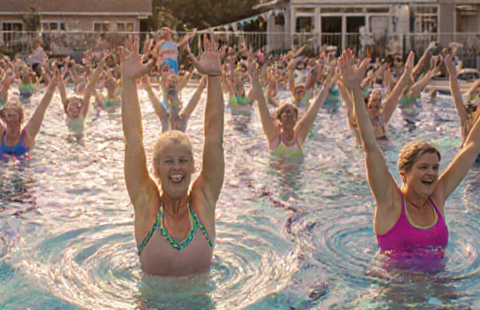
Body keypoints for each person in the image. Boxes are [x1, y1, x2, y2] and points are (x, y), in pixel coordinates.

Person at [342, 51, 480, 254]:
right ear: (404, 174)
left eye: (434, 167)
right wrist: (354, 91)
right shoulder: (391, 202)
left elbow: (472, 146)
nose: (431, 173)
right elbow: (370, 146)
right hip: (397, 285)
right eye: (423, 167)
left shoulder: (436, 199)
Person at [121, 34, 224, 277]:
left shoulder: (204, 201)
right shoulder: (146, 204)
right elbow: (133, 139)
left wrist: (214, 77)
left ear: (193, 168)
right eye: (168, 161)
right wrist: (127, 81)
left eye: (182, 161)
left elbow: (213, 137)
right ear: (155, 169)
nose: (176, 168)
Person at [0, 47, 58, 158]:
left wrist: (53, 85)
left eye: (15, 110)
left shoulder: (28, 134)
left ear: (21, 118)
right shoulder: (0, 133)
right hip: (1, 172)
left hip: (23, 173)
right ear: (4, 117)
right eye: (10, 111)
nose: (12, 112)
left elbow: (42, 107)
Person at [248, 57, 335, 163]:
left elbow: (314, 109)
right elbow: (262, 105)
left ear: (296, 119)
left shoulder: (299, 137)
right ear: (279, 119)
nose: (290, 115)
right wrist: (255, 80)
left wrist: (327, 85)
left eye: (293, 113)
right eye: (287, 112)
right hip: (276, 178)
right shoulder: (274, 137)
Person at [58, 64, 103, 135]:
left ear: (80, 107)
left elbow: (89, 90)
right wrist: (59, 77)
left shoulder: (81, 115)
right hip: (69, 137)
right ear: (67, 108)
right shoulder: (68, 114)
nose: (74, 109)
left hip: (80, 137)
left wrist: (98, 70)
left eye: (76, 105)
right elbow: (61, 90)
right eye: (72, 106)